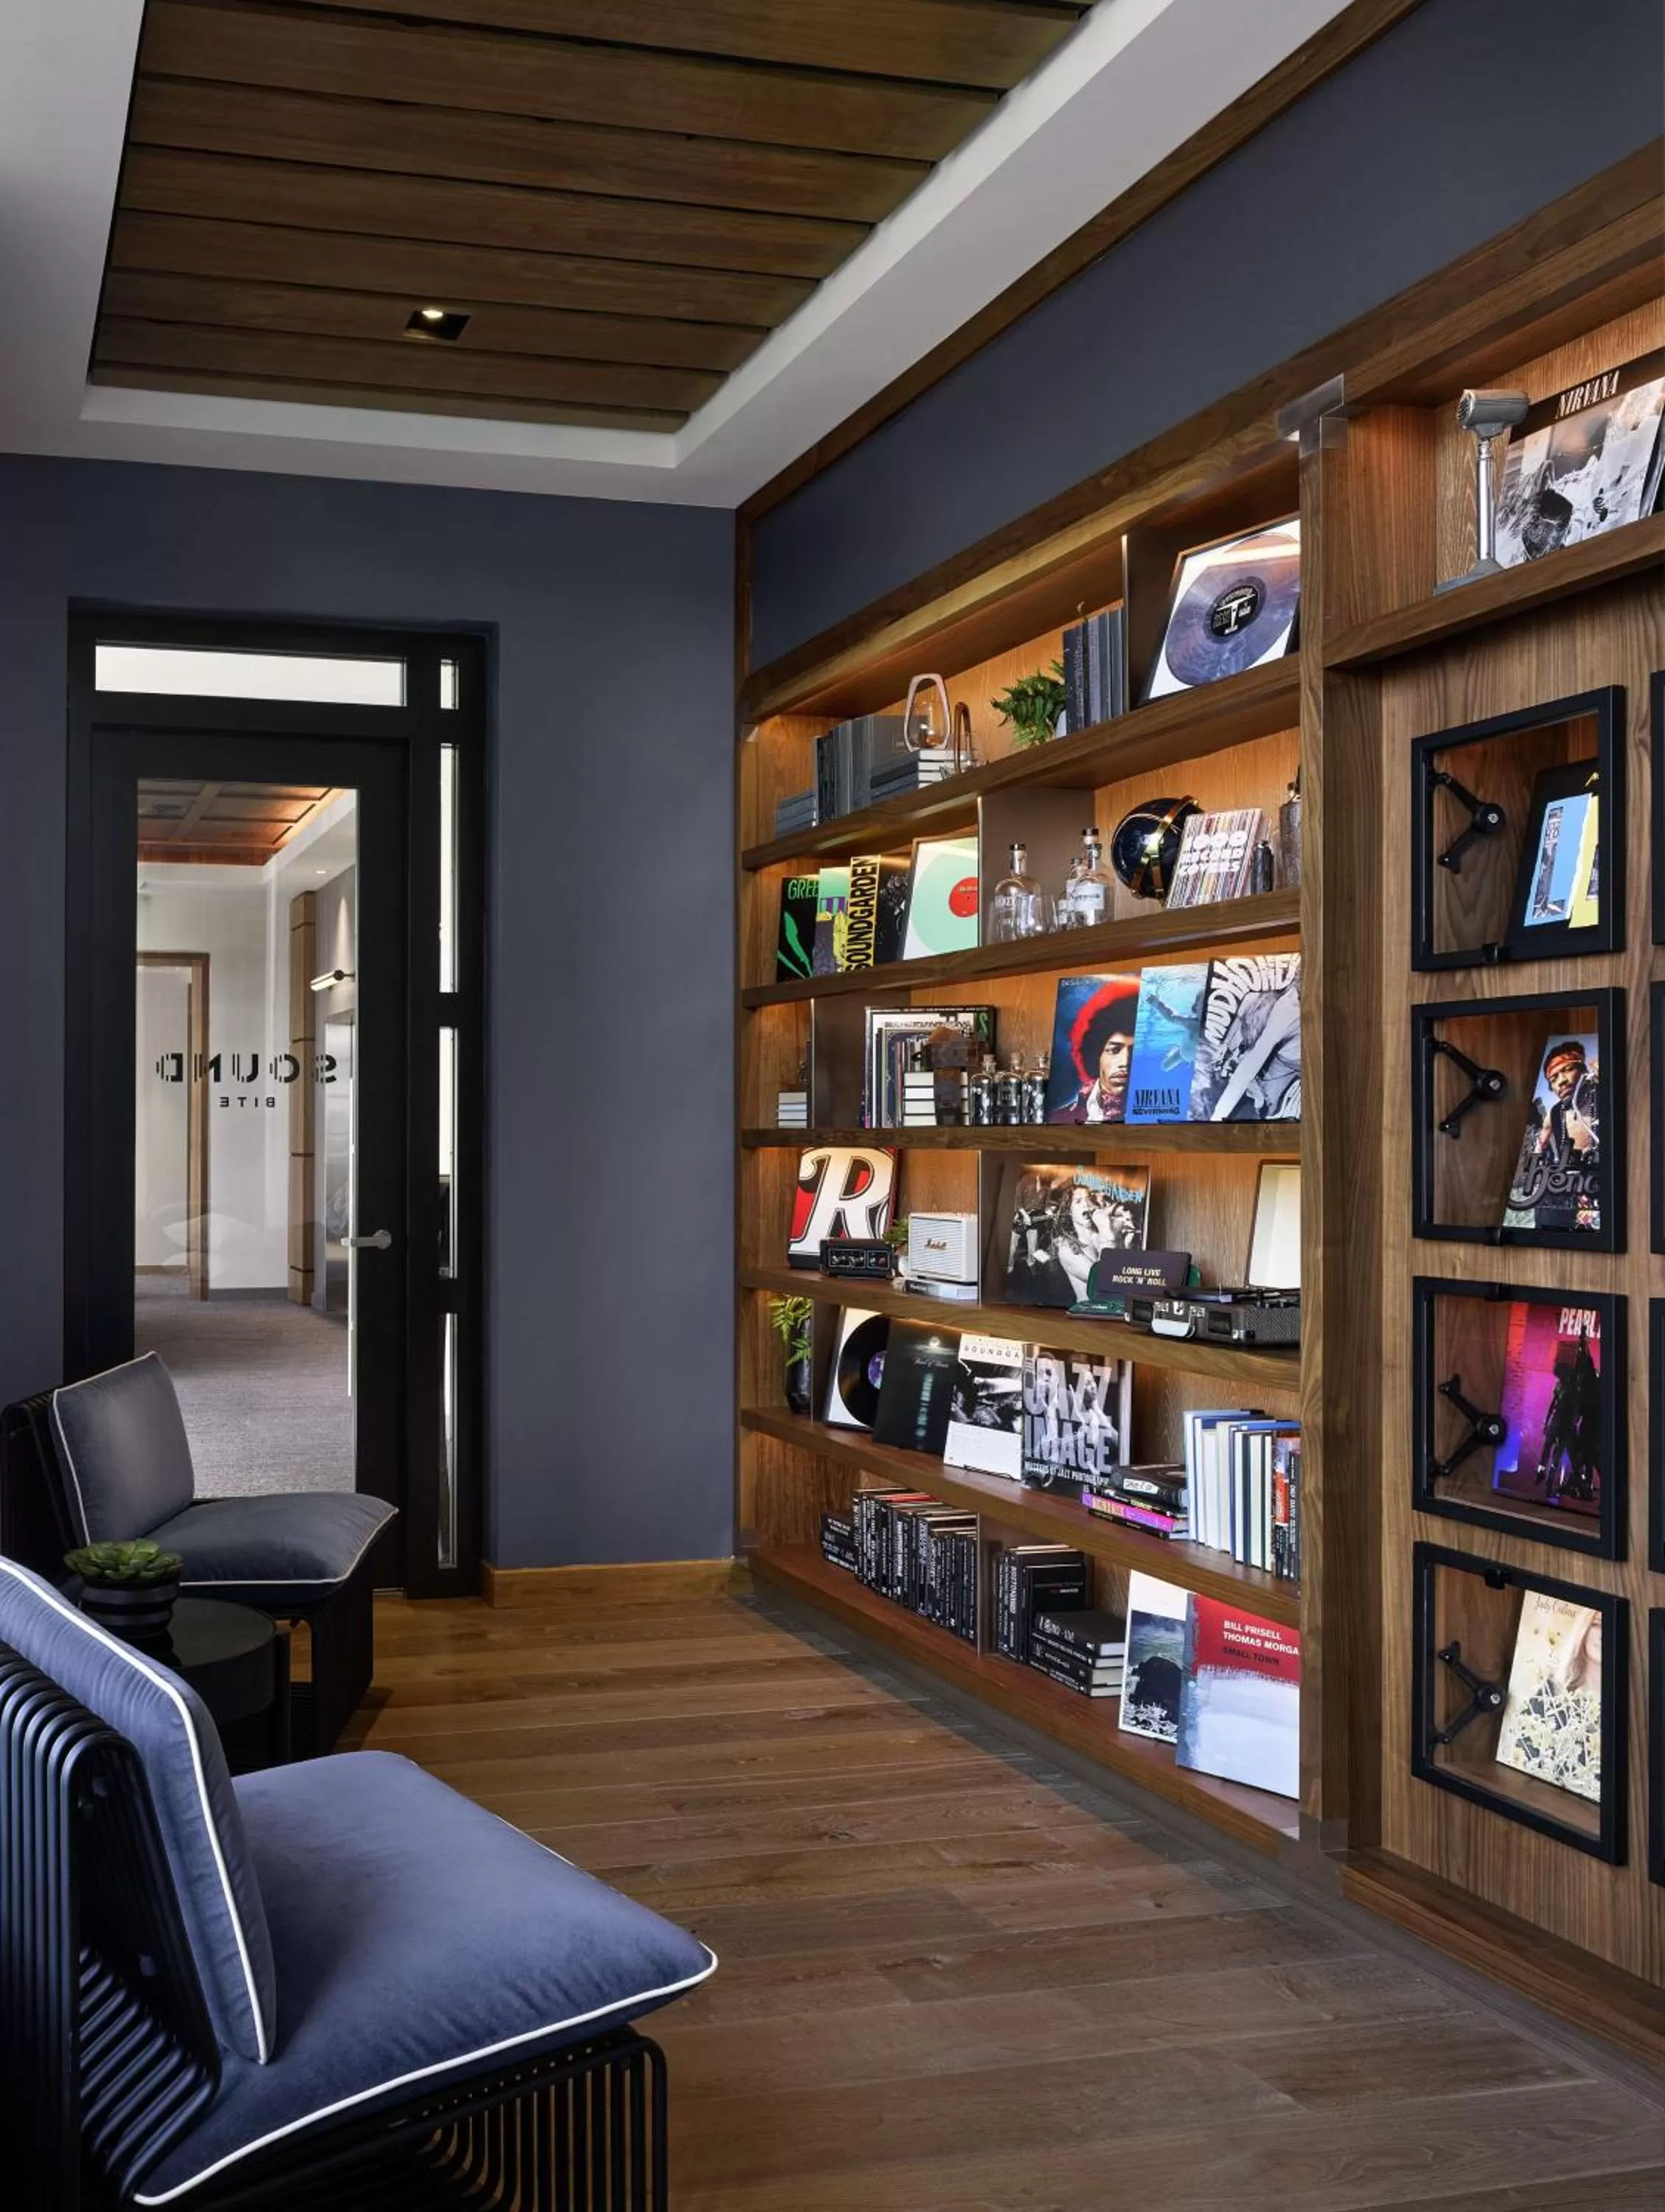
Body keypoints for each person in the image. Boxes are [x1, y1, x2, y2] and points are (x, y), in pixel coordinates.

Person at [1047, 992, 1136, 1122]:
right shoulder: (1061, 1118)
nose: (1125, 1062)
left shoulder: (1156, 1115)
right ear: (1097, 1054)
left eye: (1134, 1052)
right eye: (1115, 1050)